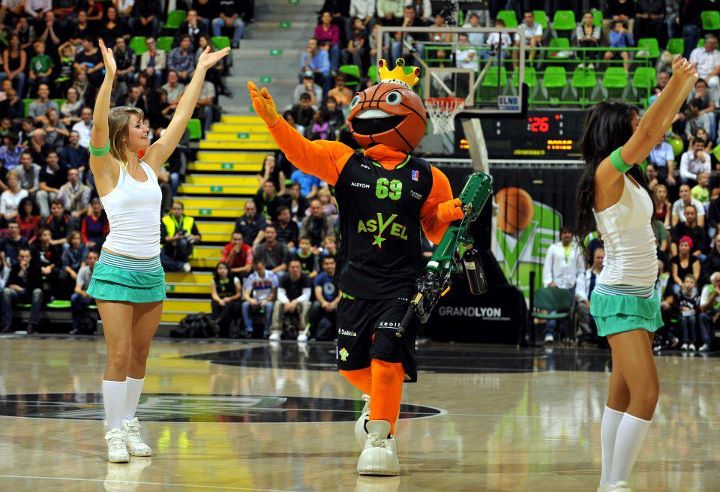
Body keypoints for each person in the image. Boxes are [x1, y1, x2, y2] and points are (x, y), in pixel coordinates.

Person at [248, 56, 463, 476]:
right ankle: (382, 398)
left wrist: (450, 213)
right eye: (366, 100)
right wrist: (276, 123)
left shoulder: (429, 176)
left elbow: (436, 232)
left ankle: (381, 440)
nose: (370, 105)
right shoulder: (344, 160)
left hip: (402, 283)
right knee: (351, 366)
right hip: (355, 282)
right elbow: (303, 153)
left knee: (386, 360)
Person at [86, 39, 228, 463]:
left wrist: (200, 69)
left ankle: (129, 422)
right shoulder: (105, 167)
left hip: (151, 270)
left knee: (142, 353)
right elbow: (97, 127)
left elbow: (182, 118)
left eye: (147, 124)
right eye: (139, 125)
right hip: (115, 269)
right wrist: (110, 78)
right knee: (119, 353)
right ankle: (113, 432)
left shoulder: (151, 165)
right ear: (121, 134)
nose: (147, 129)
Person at [574, 56, 697, 492]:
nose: (642, 127)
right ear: (619, 133)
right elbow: (649, 132)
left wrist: (683, 89)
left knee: (623, 397)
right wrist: (674, 81)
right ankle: (617, 485)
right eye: (634, 122)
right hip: (621, 295)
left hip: (639, 295)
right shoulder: (607, 172)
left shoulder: (629, 176)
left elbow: (654, 129)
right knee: (647, 396)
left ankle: (608, 481)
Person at [541, 225, 584, 343]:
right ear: (560, 235)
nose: (567, 235)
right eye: (564, 233)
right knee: (553, 311)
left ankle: (565, 336)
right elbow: (547, 267)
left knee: (568, 312)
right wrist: (549, 281)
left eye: (569, 233)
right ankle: (549, 334)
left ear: (572, 235)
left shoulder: (577, 249)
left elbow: (581, 270)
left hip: (570, 286)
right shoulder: (553, 248)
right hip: (557, 286)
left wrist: (578, 286)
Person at [0, 247, 43, 334]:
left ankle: (32, 324)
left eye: (26, 256)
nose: (24, 259)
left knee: (37, 292)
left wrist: (24, 270)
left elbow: (38, 285)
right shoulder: (15, 267)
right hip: (18, 295)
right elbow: (9, 284)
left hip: (31, 294)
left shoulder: (36, 267)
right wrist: (20, 272)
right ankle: (7, 324)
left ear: (30, 257)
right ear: (18, 257)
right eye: (22, 257)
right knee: (6, 292)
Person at [270, 258, 312, 342]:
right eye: (293, 267)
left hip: (299, 303)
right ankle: (276, 331)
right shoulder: (284, 277)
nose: (295, 269)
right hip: (287, 303)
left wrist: (294, 302)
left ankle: (302, 332)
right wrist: (287, 303)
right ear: (289, 268)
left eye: (297, 267)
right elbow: (280, 293)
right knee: (278, 303)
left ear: (300, 268)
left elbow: (306, 295)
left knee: (307, 304)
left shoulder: (305, 277)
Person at [241, 258, 278, 338]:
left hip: (268, 299)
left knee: (269, 306)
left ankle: (267, 331)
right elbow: (246, 294)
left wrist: (266, 300)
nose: (258, 271)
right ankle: (249, 330)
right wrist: (251, 300)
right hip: (256, 299)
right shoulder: (252, 277)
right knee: (245, 305)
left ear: (264, 266)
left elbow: (274, 294)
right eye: (257, 269)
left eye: (260, 269)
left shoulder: (272, 276)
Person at [160, 201, 201, 272]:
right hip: (169, 247)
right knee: (158, 257)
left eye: (179, 209)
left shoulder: (190, 220)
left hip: (185, 248)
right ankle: (181, 265)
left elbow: (199, 236)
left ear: (182, 210)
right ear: (171, 210)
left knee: (183, 242)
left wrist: (193, 237)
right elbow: (163, 238)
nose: (176, 211)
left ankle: (179, 263)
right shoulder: (165, 220)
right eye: (174, 209)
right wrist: (175, 238)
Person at [575, 246, 604, 344]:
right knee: (581, 306)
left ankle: (601, 336)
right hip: (588, 304)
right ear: (593, 259)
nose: (600, 260)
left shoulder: (608, 276)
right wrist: (588, 303)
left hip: (603, 305)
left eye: (602, 258)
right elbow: (579, 291)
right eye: (598, 257)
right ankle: (588, 335)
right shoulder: (585, 274)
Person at [311, 255, 340, 341]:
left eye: (331, 263)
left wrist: (333, 304)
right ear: (323, 265)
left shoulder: (340, 277)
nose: (329, 265)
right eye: (327, 264)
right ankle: (312, 334)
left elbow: (341, 295)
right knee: (315, 305)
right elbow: (318, 293)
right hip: (323, 303)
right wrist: (324, 302)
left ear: (335, 264)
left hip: (335, 303)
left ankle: (339, 336)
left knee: (341, 307)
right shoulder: (319, 278)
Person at [211, 261, 243, 338]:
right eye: (220, 268)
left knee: (230, 305)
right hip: (221, 300)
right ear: (217, 270)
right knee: (214, 303)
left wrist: (230, 298)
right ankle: (215, 326)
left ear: (228, 270)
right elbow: (214, 294)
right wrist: (220, 300)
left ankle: (217, 321)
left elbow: (239, 294)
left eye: (225, 268)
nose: (222, 270)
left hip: (232, 300)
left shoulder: (235, 279)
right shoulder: (214, 280)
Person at [71, 248, 99, 335]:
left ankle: (94, 325)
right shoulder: (83, 270)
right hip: (87, 295)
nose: (92, 260)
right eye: (90, 258)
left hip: (98, 296)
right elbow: (77, 289)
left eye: (94, 258)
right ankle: (76, 327)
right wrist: (84, 293)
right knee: (74, 297)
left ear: (98, 260)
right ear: (87, 260)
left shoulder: (101, 271)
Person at [677, 273, 700, 352]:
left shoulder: (696, 296)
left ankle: (692, 343)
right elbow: (675, 306)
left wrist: (693, 310)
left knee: (692, 319)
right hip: (682, 314)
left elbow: (697, 308)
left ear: (694, 285)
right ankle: (685, 342)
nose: (688, 284)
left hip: (692, 315)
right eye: (687, 282)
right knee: (683, 319)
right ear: (683, 283)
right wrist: (681, 308)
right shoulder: (679, 293)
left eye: (691, 282)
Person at [698, 271, 719, 352]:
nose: (719, 283)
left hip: (718, 313)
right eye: (717, 281)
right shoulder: (707, 289)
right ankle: (706, 343)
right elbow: (702, 308)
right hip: (709, 313)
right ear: (712, 282)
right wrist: (713, 295)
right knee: (702, 316)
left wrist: (718, 314)